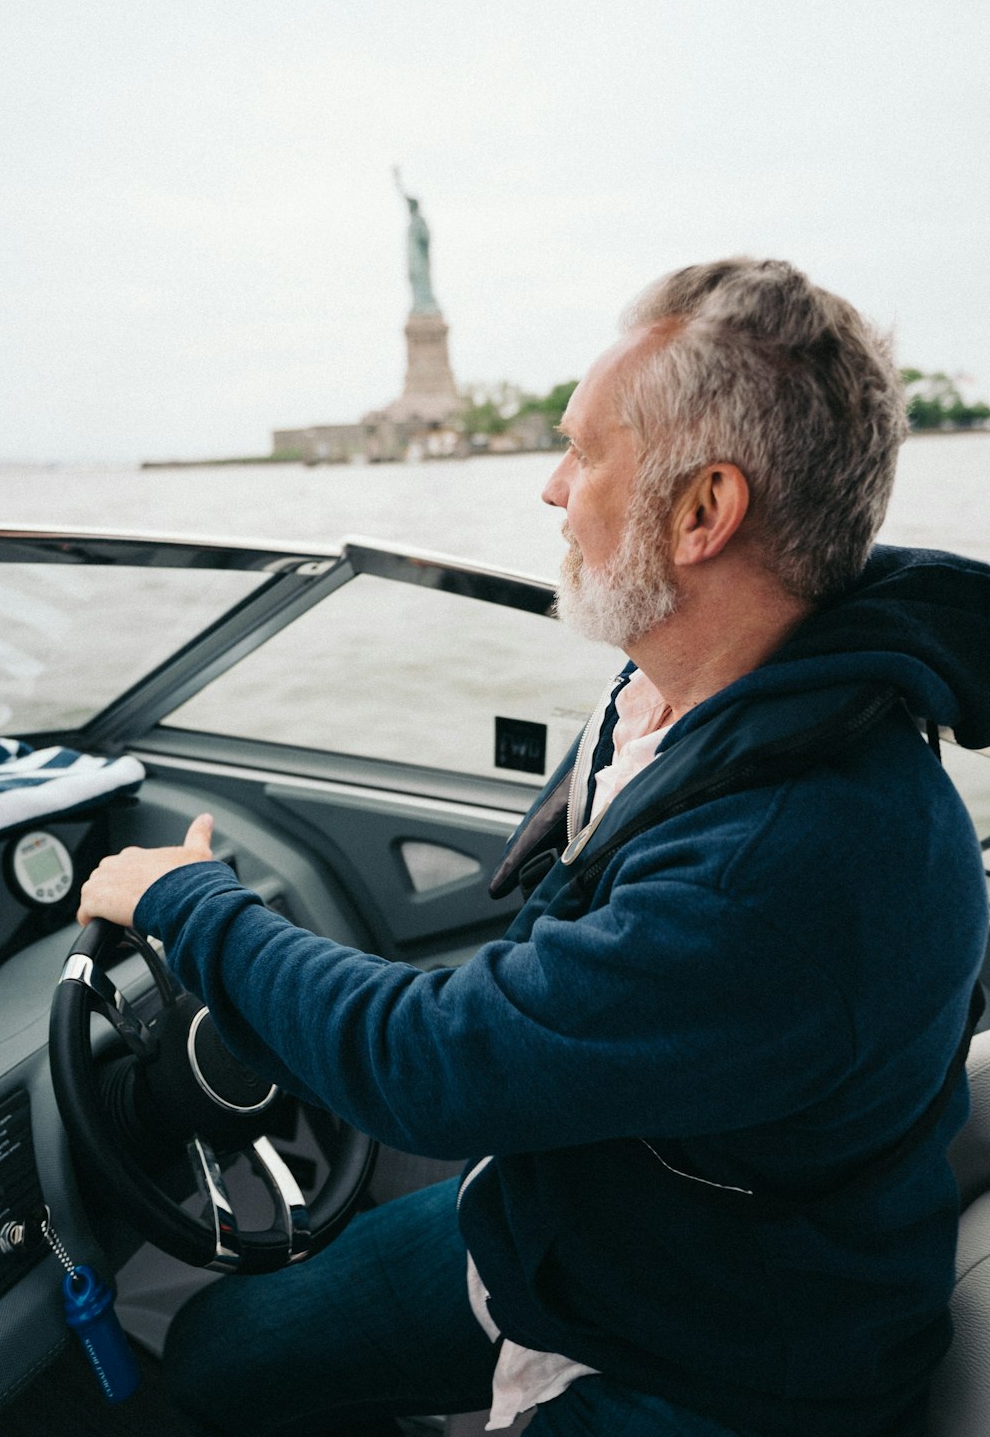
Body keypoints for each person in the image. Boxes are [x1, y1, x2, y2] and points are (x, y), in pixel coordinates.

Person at [79, 258, 990, 1437]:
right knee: (213, 1358)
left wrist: (186, 902)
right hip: (570, 1221)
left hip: (713, 1355)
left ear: (702, 514)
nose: (553, 490)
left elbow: (434, 1067)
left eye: (585, 451)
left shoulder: (782, 856)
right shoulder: (695, 684)